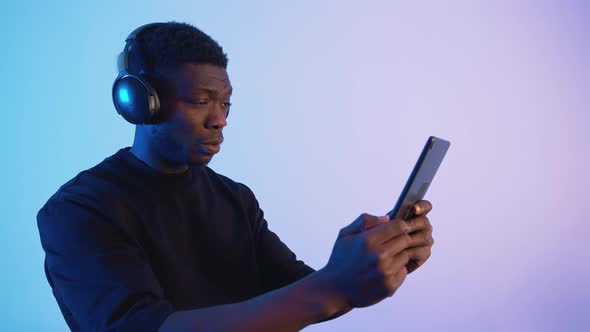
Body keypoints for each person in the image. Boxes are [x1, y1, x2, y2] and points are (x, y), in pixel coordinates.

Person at [37, 21, 435, 332]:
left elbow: (299, 294)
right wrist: (332, 286)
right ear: (142, 103)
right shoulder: (80, 209)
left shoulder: (234, 199)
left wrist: (373, 260)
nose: (220, 120)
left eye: (226, 103)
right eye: (200, 101)